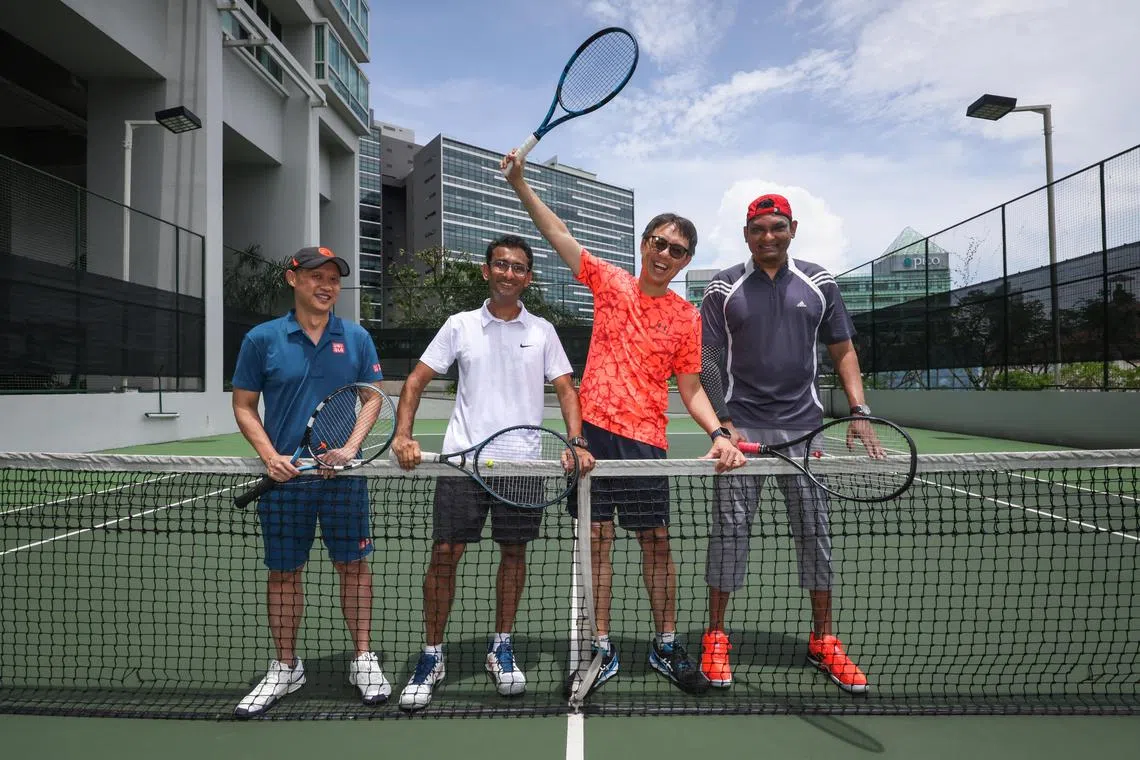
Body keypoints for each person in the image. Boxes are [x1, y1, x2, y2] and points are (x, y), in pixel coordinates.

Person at [502, 151, 746, 695]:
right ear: (643, 245)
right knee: (597, 541)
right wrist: (521, 183)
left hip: (645, 443)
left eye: (676, 250)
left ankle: (665, 644)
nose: (664, 253)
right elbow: (559, 232)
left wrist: (719, 432)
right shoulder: (609, 283)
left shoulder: (688, 317)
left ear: (685, 262)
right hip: (592, 438)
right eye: (657, 242)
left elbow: (690, 388)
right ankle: (602, 645)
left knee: (656, 543)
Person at [391, 234, 596, 711]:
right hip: (464, 462)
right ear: (487, 271)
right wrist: (403, 435)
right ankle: (432, 654)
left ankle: (501, 646)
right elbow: (416, 381)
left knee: (514, 556)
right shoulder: (459, 325)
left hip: (522, 465)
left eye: (519, 267)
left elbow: (567, 389)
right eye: (501, 265)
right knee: (445, 554)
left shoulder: (542, 330)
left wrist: (576, 439)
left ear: (528, 277)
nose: (509, 273)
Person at [698, 193, 871, 694]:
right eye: (758, 229)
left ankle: (823, 640)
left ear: (792, 228)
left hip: (805, 430)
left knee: (815, 535)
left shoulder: (820, 284)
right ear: (745, 234)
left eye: (777, 227)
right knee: (728, 534)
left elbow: (843, 349)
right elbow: (708, 358)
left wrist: (858, 411)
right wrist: (724, 424)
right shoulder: (722, 287)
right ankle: (715, 636)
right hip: (743, 433)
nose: (767, 237)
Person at [231, 245, 391, 718]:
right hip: (287, 481)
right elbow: (243, 405)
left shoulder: (357, 338)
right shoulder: (262, 339)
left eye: (334, 279)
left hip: (343, 480)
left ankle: (362, 657)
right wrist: (270, 455)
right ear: (293, 279)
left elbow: (372, 399)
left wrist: (349, 449)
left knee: (354, 568)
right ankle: (285, 667)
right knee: (283, 574)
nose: (327, 286)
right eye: (316, 276)